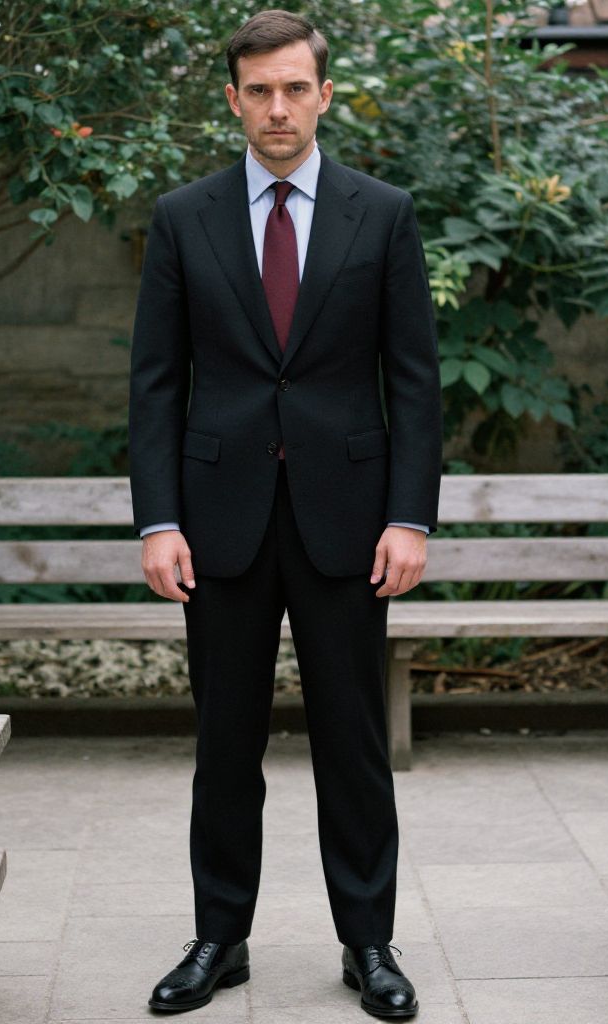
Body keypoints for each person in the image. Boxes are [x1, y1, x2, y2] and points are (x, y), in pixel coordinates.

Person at [128, 8, 442, 1018]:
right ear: (233, 100)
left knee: (353, 743)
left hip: (348, 522)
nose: (277, 107)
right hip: (217, 523)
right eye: (258, 90)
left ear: (323, 94)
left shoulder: (381, 214)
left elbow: (413, 380)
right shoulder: (183, 217)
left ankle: (369, 943)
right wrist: (157, 521)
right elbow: (155, 383)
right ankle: (219, 937)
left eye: (294, 88)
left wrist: (410, 517)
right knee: (225, 744)